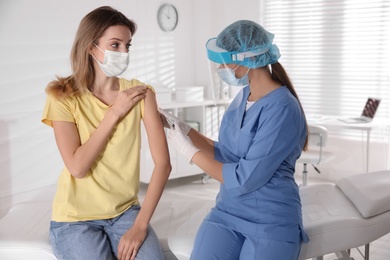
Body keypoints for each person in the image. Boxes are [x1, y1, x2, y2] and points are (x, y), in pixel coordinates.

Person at [160, 20, 309, 259]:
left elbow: (243, 178)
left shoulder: (282, 109)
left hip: (270, 220)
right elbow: (227, 154)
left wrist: (189, 153)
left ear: (244, 59)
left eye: (223, 62)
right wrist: (183, 128)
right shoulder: (243, 97)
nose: (221, 68)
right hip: (228, 212)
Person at [41, 6, 171, 260]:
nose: (123, 53)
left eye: (127, 45)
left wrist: (140, 225)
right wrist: (114, 113)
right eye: (115, 45)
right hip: (75, 220)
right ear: (91, 47)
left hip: (125, 212)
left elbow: (163, 165)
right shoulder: (62, 96)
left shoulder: (141, 93)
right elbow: (78, 167)